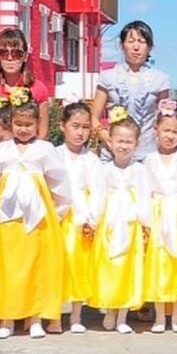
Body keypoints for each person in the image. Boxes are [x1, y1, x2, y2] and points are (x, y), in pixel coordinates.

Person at [0, 92, 69, 340]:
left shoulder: (45, 149)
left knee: (35, 264)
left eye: (28, 124)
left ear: (38, 124)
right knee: (7, 264)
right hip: (6, 217)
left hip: (36, 219)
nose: (23, 129)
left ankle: (35, 317)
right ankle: (7, 318)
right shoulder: (2, 150)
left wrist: (58, 211)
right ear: (10, 123)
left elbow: (59, 181)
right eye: (18, 124)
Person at [89, 109, 151, 333]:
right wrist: (93, 221)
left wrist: (146, 224)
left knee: (128, 268)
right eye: (119, 141)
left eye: (128, 142)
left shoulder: (140, 170)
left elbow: (144, 197)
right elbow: (98, 196)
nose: (123, 146)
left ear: (136, 144)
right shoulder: (104, 169)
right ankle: (110, 309)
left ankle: (123, 315)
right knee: (110, 266)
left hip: (130, 224)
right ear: (110, 141)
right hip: (110, 223)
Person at [142, 101, 177, 334]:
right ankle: (159, 316)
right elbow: (145, 190)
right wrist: (146, 220)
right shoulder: (150, 159)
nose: (170, 136)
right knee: (159, 263)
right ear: (156, 130)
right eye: (166, 130)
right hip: (158, 213)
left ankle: (176, 315)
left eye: (176, 132)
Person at [91, 20, 170, 160]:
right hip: (113, 153)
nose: (136, 47)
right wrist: (106, 137)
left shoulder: (160, 79)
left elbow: (165, 118)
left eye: (141, 42)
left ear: (150, 47)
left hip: (147, 153)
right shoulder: (107, 77)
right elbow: (94, 117)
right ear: (122, 45)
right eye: (131, 41)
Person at [56, 101, 100, 334]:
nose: (80, 132)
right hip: (58, 215)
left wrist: (91, 219)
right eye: (75, 126)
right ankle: (53, 314)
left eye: (85, 127)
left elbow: (97, 191)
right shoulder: (53, 155)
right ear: (62, 125)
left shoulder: (91, 159)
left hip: (80, 216)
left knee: (78, 264)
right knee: (57, 263)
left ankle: (76, 315)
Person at [0, 28, 51, 138]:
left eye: (17, 53)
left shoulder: (38, 89)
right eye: (4, 53)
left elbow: (42, 131)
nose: (10, 58)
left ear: (25, 57)